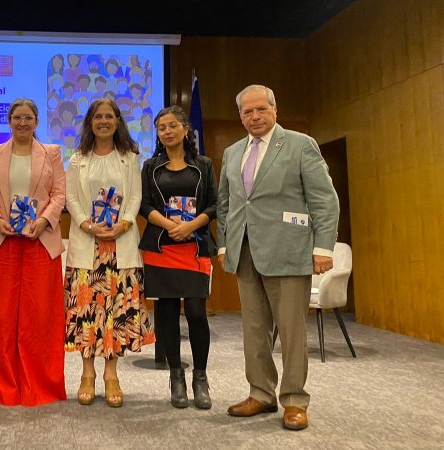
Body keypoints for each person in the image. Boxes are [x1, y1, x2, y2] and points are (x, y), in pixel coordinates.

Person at [217, 85, 339, 431]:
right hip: (245, 252)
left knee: (291, 331)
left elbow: (324, 200)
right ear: (240, 116)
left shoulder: (301, 145)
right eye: (247, 112)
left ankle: (295, 400)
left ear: (275, 110)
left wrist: (323, 248)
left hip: (289, 251)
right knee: (254, 330)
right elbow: (227, 204)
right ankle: (260, 393)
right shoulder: (232, 152)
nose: (254, 117)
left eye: (260, 110)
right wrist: (225, 245)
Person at [64, 99, 155, 408]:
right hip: (88, 246)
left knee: (116, 314)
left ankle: (111, 375)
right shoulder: (78, 158)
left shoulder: (130, 158)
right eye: (98, 116)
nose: (103, 121)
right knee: (88, 314)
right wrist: (88, 225)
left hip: (120, 246)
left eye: (109, 116)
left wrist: (124, 224)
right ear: (90, 122)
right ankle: (87, 375)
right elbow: (72, 198)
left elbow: (135, 196)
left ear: (118, 121)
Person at [0, 98, 67, 406]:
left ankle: (40, 385)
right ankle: (5, 387)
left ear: (37, 122)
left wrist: (42, 221)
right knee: (1, 318)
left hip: (39, 242)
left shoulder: (52, 153)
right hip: (2, 242)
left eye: (28, 118)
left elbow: (59, 195)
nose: (23, 123)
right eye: (17, 117)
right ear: (9, 121)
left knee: (39, 317)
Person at [139, 106, 217, 409]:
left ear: (186, 129)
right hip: (162, 246)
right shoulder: (150, 166)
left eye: (172, 125)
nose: (167, 131)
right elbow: (144, 205)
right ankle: (176, 377)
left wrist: (191, 225)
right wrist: (171, 225)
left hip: (195, 246)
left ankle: (200, 377)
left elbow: (213, 204)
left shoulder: (204, 164)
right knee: (167, 314)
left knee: (197, 312)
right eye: (161, 127)